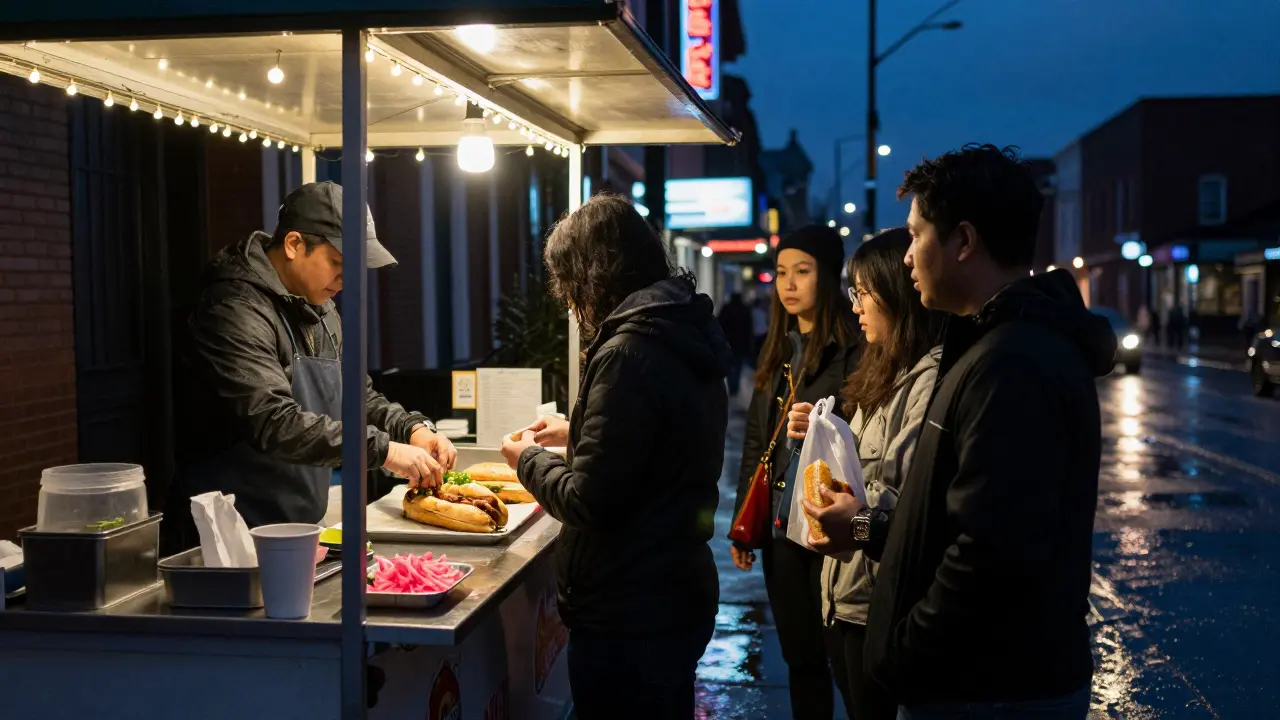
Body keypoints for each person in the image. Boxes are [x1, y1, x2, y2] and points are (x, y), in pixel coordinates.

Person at [858, 144, 1116, 719]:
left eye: (916, 234)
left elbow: (992, 552)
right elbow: (948, 518)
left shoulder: (1012, 364)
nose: (905, 258)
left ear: (964, 242)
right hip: (983, 683)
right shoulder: (994, 345)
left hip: (985, 691)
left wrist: (906, 651)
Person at [499, 194, 730, 720]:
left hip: (632, 611)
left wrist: (527, 459)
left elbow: (589, 499)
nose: (571, 303)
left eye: (569, 286)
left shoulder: (628, 351)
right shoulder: (676, 329)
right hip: (673, 592)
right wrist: (576, 429)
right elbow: (659, 446)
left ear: (592, 276)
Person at [165, 181, 456, 551]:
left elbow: (353, 394)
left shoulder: (319, 307)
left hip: (294, 528)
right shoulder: (234, 309)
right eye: (337, 262)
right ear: (294, 245)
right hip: (224, 536)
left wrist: (411, 428)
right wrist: (385, 451)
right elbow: (272, 422)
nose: (346, 279)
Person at [790, 228, 946, 720]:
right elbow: (859, 466)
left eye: (863, 292)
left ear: (897, 293)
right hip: (842, 599)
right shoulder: (882, 369)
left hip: (878, 605)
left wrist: (850, 506)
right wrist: (822, 430)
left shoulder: (929, 381)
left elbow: (904, 496)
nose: (855, 305)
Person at [729, 225, 860, 719]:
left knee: (842, 660)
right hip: (783, 530)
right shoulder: (777, 348)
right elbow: (756, 444)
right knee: (800, 659)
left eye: (802, 272)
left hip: (830, 525)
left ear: (827, 278)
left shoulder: (853, 350)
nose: (788, 284)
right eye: (782, 273)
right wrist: (745, 523)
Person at [718, 292, 755, 397]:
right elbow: (749, 329)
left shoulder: (726, 309)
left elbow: (720, 324)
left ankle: (732, 386)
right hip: (741, 343)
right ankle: (735, 387)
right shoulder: (745, 310)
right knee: (738, 366)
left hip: (728, 341)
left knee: (730, 365)